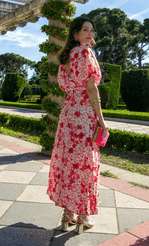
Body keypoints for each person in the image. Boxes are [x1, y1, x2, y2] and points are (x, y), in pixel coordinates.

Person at [47, 16, 109, 234]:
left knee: (69, 163)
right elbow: (91, 89)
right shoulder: (85, 52)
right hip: (84, 115)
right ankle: (83, 217)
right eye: (85, 30)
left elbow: (66, 86)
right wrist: (101, 120)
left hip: (68, 115)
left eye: (92, 30)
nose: (90, 34)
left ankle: (68, 214)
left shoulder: (66, 56)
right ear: (76, 34)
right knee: (85, 165)